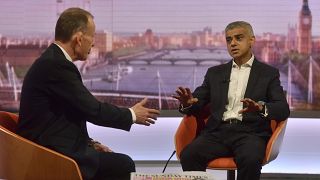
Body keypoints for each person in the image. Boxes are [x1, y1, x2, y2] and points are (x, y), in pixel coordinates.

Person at [17, 7, 160, 180]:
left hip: (50, 147)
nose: (93, 43)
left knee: (117, 161)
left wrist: (91, 143)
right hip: (48, 155)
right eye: (92, 36)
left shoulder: (53, 60)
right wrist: (132, 115)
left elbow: (64, 118)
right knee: (124, 164)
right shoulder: (56, 65)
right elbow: (92, 109)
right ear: (78, 38)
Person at [173, 21, 290, 180]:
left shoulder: (268, 74)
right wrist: (187, 103)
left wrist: (261, 108)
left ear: (251, 40)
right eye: (229, 40)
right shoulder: (214, 73)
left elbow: (283, 108)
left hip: (251, 133)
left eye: (238, 38)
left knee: (250, 159)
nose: (233, 43)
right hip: (217, 132)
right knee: (189, 155)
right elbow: (197, 101)